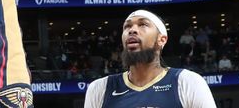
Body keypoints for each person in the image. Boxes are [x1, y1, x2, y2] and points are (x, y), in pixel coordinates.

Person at [83, 10, 217, 108]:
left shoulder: (188, 82)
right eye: (127, 26)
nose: (132, 30)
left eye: (143, 25)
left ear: (161, 39)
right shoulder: (100, 88)